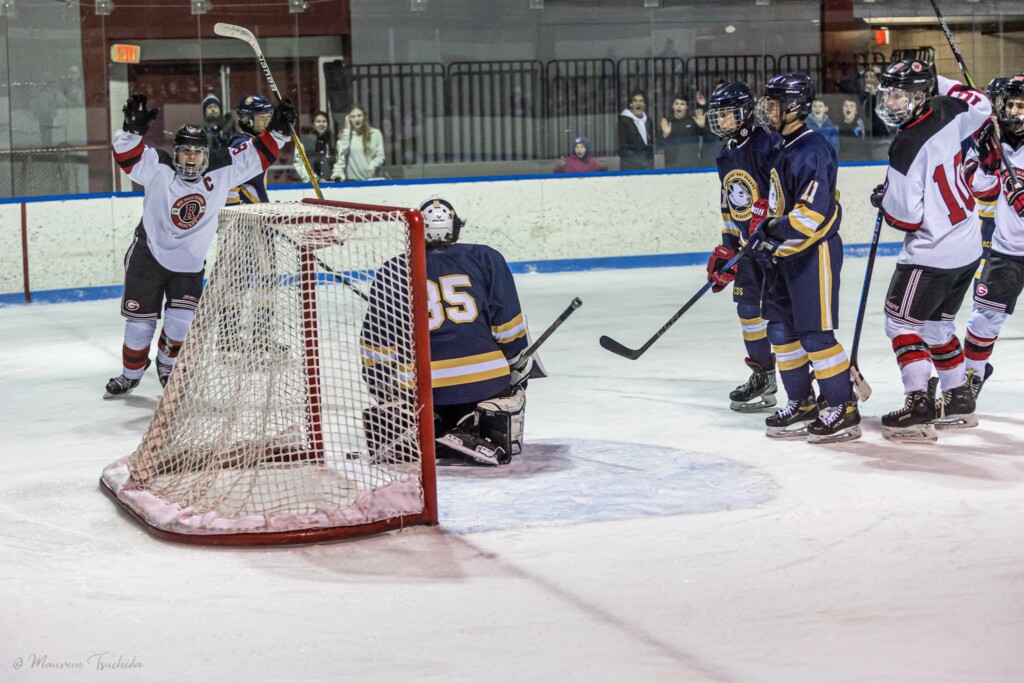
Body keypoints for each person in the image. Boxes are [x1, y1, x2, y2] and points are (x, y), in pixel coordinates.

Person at [104, 92, 295, 398]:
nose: (190, 158)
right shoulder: (158, 167)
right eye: (185, 152)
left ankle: (168, 369)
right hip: (148, 257)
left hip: (189, 266)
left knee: (180, 324)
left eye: (197, 152)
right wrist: (131, 131)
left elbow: (257, 156)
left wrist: (279, 132)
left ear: (206, 156)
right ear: (175, 152)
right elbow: (127, 157)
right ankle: (130, 375)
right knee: (139, 328)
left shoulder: (222, 170)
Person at [359, 196, 536, 466]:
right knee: (516, 373)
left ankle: (423, 424)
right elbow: (508, 329)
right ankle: (478, 424)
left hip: (423, 390)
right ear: (456, 228)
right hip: (485, 384)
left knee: (396, 378)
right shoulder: (487, 257)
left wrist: (386, 390)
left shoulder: (393, 269)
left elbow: (377, 349)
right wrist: (516, 366)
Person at [869, 60, 992, 441]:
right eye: (887, 92)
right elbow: (983, 105)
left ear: (920, 96)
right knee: (938, 324)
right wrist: (940, 79)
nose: (890, 101)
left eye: (898, 94)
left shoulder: (904, 146)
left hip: (932, 251)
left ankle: (918, 404)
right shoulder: (949, 109)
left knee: (901, 323)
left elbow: (905, 218)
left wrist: (884, 198)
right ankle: (957, 400)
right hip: (968, 242)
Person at [750, 72, 861, 444]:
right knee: (780, 332)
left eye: (775, 103)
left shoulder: (812, 149)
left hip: (814, 256)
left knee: (815, 334)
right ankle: (801, 402)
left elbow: (809, 218)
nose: (768, 110)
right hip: (784, 257)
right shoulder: (784, 146)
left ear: (794, 106)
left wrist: (769, 230)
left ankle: (842, 406)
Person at [704, 81, 783, 414]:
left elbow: (782, 190)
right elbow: (729, 205)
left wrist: (770, 217)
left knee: (782, 317)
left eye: (727, 115)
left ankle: (806, 381)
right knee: (748, 312)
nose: (722, 122)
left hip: (776, 246)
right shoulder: (724, 154)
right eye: (718, 116)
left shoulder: (768, 143)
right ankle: (762, 375)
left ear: (745, 112)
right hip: (747, 249)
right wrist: (727, 249)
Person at [962, 74, 1024, 403]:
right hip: (1007, 249)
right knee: (983, 316)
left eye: (1021, 106)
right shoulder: (994, 141)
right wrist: (988, 164)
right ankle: (970, 378)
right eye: (1010, 105)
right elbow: (978, 191)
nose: (1015, 112)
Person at [227, 94, 275, 204]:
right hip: (247, 215)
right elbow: (229, 183)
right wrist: (236, 212)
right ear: (245, 118)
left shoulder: (253, 141)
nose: (267, 122)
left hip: (256, 213)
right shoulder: (240, 144)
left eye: (269, 117)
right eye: (262, 117)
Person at [331, 103, 385, 182]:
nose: (357, 119)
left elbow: (380, 156)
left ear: (364, 117)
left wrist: (373, 165)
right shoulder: (344, 136)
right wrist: (347, 130)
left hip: (372, 181)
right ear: (348, 119)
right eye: (353, 117)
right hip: (352, 182)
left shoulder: (375, 133)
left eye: (359, 116)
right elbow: (341, 156)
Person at [659, 94, 702, 168]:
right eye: (676, 104)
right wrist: (665, 135)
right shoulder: (666, 122)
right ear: (672, 106)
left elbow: (708, 138)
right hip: (672, 165)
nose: (679, 106)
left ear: (687, 107)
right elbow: (658, 145)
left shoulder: (693, 121)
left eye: (682, 104)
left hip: (691, 165)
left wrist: (702, 126)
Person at [292, 110, 334, 184]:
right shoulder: (304, 141)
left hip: (331, 185)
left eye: (324, 121)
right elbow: (298, 163)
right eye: (318, 121)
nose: (321, 124)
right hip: (311, 186)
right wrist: (316, 179)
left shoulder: (332, 141)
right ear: (313, 124)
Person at [617, 89, 654, 171]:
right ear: (630, 104)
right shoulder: (624, 121)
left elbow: (650, 146)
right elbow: (623, 148)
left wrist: (649, 164)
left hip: (647, 168)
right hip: (630, 169)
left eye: (641, 101)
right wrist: (640, 162)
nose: (638, 103)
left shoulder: (648, 121)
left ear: (644, 104)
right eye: (635, 101)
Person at [835, 98, 869, 162]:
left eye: (851, 106)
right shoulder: (837, 127)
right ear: (842, 109)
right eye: (846, 105)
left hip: (859, 160)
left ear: (856, 111)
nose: (848, 108)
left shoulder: (861, 125)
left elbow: (864, 144)